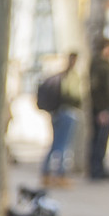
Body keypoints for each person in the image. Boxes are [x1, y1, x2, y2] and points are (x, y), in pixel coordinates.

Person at [36, 52, 80, 187]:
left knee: (56, 144)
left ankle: (46, 173)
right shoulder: (69, 76)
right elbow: (71, 95)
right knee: (62, 146)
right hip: (66, 112)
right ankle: (59, 174)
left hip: (57, 112)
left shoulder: (61, 75)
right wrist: (78, 103)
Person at [86, 36, 109, 180]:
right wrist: (101, 109)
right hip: (102, 108)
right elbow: (96, 89)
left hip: (105, 107)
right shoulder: (98, 64)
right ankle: (96, 169)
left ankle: (99, 167)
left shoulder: (103, 63)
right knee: (99, 139)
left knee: (102, 140)